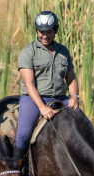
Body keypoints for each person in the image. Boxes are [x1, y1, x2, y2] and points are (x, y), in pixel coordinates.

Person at [13, 11, 80, 161]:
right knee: (23, 134)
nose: (44, 35)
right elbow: (29, 84)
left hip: (60, 98)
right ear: (37, 31)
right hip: (34, 99)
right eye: (41, 31)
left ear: (55, 30)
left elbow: (71, 78)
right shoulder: (28, 52)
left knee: (83, 124)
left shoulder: (63, 52)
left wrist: (74, 96)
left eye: (48, 31)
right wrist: (42, 107)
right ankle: (15, 169)